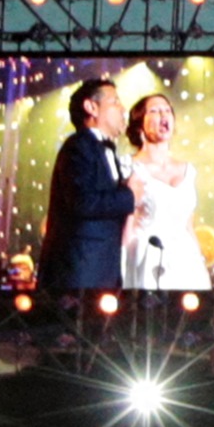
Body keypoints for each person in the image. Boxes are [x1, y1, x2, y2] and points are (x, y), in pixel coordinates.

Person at [40, 80, 133, 306]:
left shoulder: (104, 149)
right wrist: (130, 196)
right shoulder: (79, 146)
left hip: (102, 267)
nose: (123, 109)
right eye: (115, 102)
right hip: (80, 268)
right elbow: (82, 202)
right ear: (91, 108)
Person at [117, 89, 207, 296]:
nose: (164, 115)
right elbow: (126, 222)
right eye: (155, 111)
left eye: (167, 110)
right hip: (146, 254)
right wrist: (121, 265)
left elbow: (188, 225)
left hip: (184, 259)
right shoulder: (128, 166)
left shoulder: (188, 170)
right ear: (140, 123)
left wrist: (199, 262)